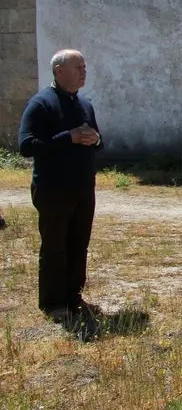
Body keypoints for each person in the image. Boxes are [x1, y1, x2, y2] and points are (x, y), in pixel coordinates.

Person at [18, 49, 104, 327]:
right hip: (53, 189)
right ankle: (53, 302)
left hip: (82, 188)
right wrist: (70, 137)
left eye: (84, 67)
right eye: (77, 67)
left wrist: (95, 139)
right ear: (58, 71)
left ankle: (72, 296)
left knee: (79, 244)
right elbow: (27, 146)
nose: (83, 72)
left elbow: (98, 140)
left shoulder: (84, 105)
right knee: (55, 246)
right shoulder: (41, 104)